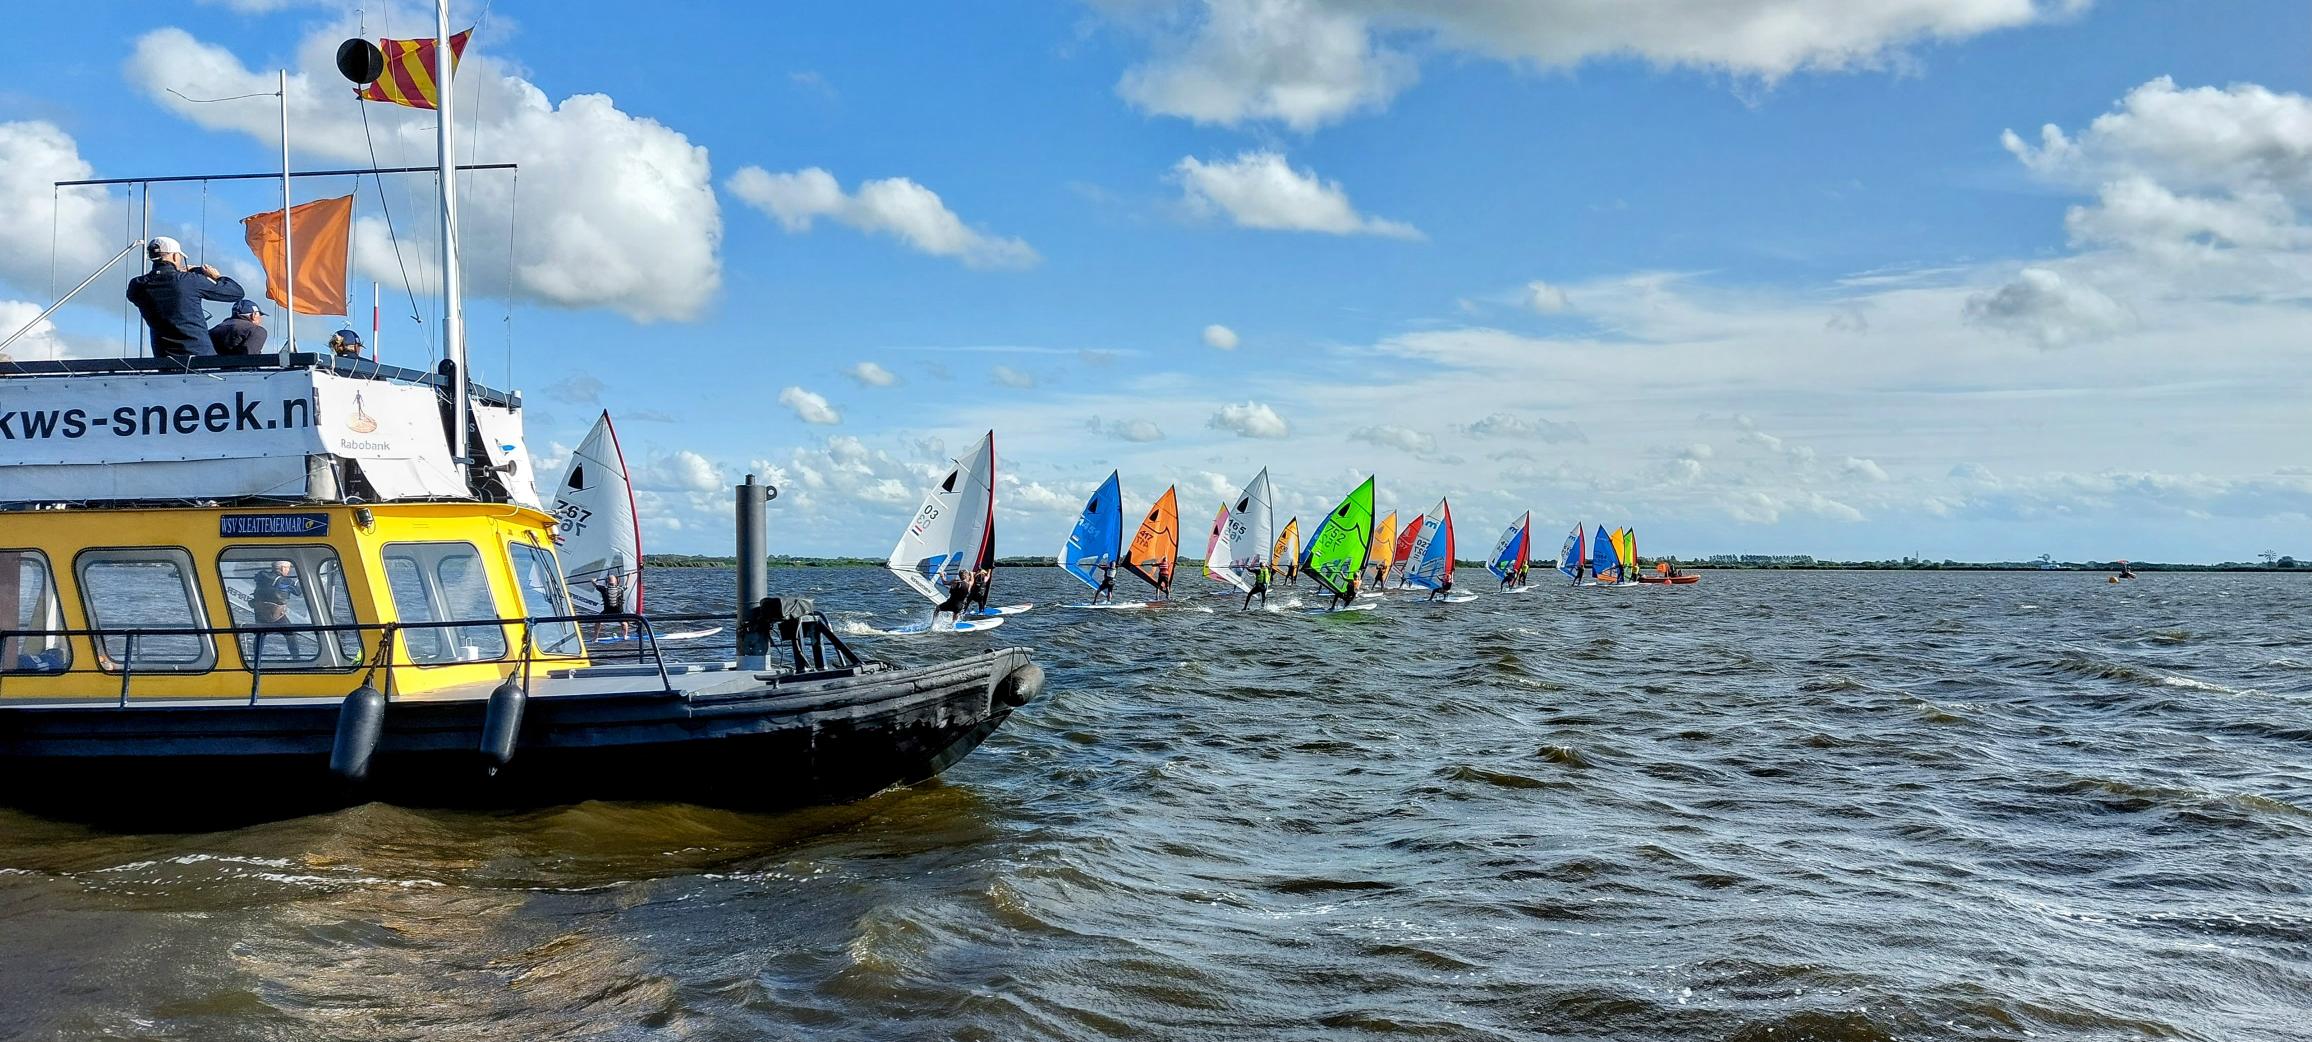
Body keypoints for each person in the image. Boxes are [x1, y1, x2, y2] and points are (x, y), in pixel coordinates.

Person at [125, 236, 246, 359]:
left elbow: (150, 289)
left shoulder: (137, 285)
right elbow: (236, 293)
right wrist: (216, 276)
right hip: (200, 357)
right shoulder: (190, 280)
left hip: (164, 359)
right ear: (174, 256)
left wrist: (176, 276)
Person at [248, 560, 303, 658]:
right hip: (276, 615)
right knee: (291, 634)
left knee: (261, 634)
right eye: (288, 568)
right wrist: (299, 580)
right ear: (282, 568)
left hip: (260, 612)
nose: (289, 570)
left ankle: (256, 658)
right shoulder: (285, 581)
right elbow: (298, 592)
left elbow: (258, 581)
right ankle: (296, 658)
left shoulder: (262, 576)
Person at [591, 568, 631, 640]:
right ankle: (625, 636)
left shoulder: (603, 589)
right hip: (618, 612)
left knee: (598, 621)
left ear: (607, 582)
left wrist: (593, 581)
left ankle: (595, 637)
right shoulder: (620, 589)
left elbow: (595, 585)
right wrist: (628, 577)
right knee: (624, 623)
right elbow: (626, 586)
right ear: (616, 582)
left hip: (607, 612)